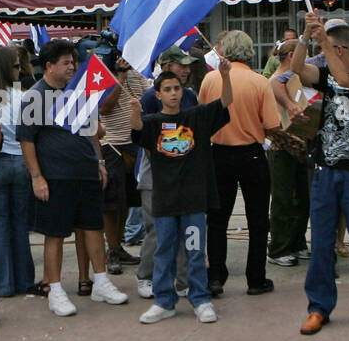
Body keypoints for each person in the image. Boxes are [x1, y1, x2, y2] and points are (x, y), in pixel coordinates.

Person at [290, 14, 349, 337]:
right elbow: (297, 71)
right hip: (325, 170)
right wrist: (305, 37)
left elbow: (346, 80)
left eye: (330, 48)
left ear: (341, 49)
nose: (324, 53)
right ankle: (318, 307)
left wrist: (324, 43)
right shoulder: (326, 73)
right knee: (320, 244)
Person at [18, 38, 128, 316]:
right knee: (54, 234)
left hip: (87, 172)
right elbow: (27, 141)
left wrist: (100, 160)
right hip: (55, 177)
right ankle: (54, 288)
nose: (72, 67)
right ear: (49, 65)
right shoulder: (34, 96)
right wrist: (36, 177)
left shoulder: (77, 91)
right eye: (66, 62)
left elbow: (90, 129)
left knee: (93, 228)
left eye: (73, 62)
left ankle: (101, 281)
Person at [130, 60, 233, 325]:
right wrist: (133, 110)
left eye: (177, 87)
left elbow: (225, 102)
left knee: (194, 249)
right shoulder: (153, 123)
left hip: (194, 199)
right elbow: (137, 132)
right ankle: (164, 301)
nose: (174, 93)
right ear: (158, 94)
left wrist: (225, 75)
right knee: (164, 249)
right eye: (168, 89)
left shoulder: (196, 117)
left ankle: (201, 299)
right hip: (165, 199)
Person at [199, 30, 281, 298]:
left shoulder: (210, 79)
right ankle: (255, 278)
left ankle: (216, 276)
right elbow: (271, 124)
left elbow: (202, 116)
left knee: (217, 219)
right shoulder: (259, 82)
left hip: (218, 153)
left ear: (224, 51)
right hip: (251, 154)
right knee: (257, 219)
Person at [134, 46, 196, 299]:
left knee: (183, 228)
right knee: (156, 229)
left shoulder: (190, 95)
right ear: (167, 66)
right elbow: (144, 137)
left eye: (188, 65)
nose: (186, 69)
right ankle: (145, 276)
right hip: (154, 175)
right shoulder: (151, 97)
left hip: (183, 174)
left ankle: (183, 280)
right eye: (181, 64)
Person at [0, 44, 36, 299]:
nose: (19, 70)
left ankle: (3, 283)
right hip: (22, 161)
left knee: (0, 227)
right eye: (16, 66)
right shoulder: (24, 96)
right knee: (20, 225)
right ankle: (25, 279)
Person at [96, 52, 150, 273]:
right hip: (112, 145)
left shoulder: (140, 73)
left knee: (127, 201)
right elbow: (104, 108)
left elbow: (148, 101)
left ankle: (118, 247)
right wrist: (120, 78)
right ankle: (112, 250)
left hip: (134, 144)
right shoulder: (103, 74)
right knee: (112, 205)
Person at [264, 39, 313, 266]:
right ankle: (279, 247)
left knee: (302, 198)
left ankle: (297, 241)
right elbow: (272, 117)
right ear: (291, 55)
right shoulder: (275, 80)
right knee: (283, 199)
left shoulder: (296, 79)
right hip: (281, 145)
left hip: (301, 145)